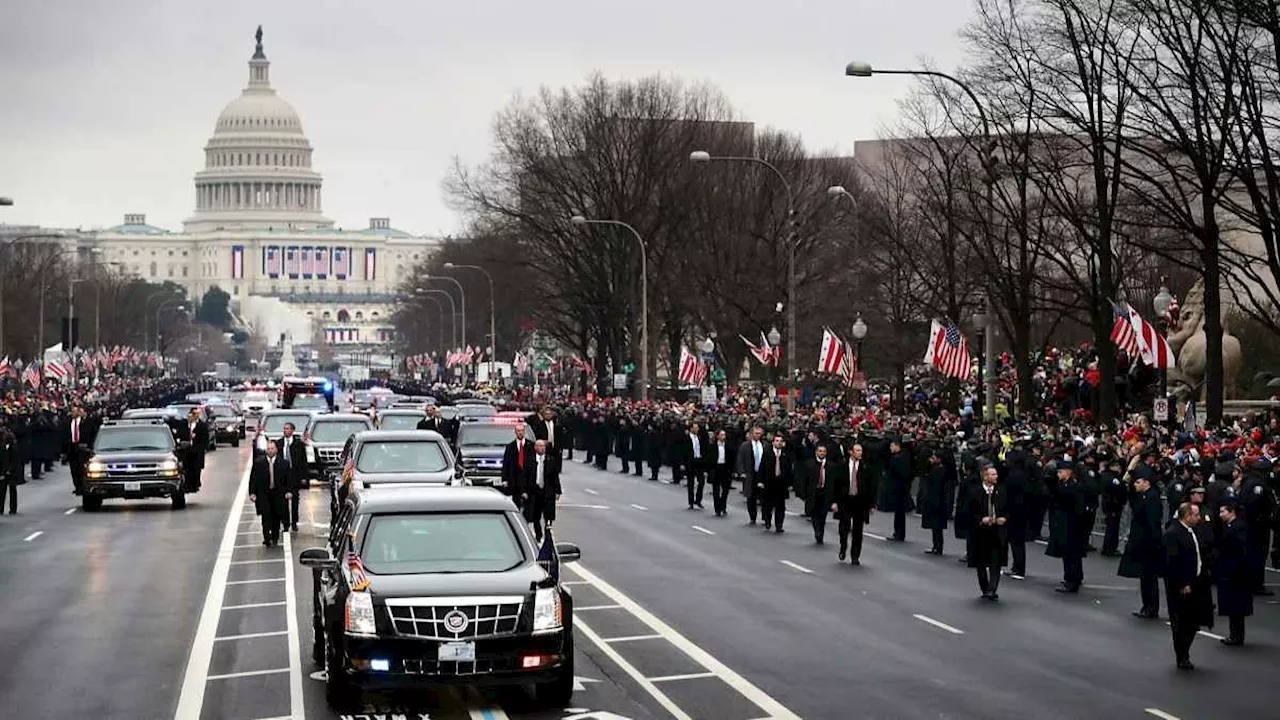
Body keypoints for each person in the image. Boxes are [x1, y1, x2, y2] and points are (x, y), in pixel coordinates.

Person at [1162, 502, 1214, 670]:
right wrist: (1183, 583)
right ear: (1187, 516)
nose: (1199, 518)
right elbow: (1173, 562)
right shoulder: (1173, 534)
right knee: (1181, 622)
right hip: (1181, 585)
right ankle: (1182, 655)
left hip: (1197, 581)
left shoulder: (1195, 531)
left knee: (1193, 621)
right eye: (1196, 515)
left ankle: (1185, 651)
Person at [1119, 467, 1163, 619]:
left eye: (1138, 482)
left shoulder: (1152, 498)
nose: (1135, 485)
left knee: (1149, 577)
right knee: (1144, 577)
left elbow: (1152, 523)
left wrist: (1152, 543)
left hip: (1148, 542)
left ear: (1146, 482)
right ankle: (1147, 606)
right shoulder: (1143, 496)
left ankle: (1151, 607)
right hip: (1142, 540)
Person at [966, 464, 1008, 600]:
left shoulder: (1001, 491)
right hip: (980, 532)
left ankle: (992, 589)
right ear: (985, 477)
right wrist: (980, 519)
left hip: (997, 531)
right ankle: (985, 588)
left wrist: (1005, 518)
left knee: (996, 561)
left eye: (996, 474)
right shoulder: (974, 492)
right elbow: (967, 512)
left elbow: (1010, 509)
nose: (996, 477)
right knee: (981, 563)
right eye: (992, 474)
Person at [1046, 459, 1088, 593]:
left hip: (1071, 524)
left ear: (1068, 472)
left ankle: (1071, 580)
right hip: (1067, 523)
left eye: (1060, 472)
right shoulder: (1065, 485)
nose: (1058, 474)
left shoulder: (1071, 486)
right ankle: (1073, 577)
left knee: (1070, 555)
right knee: (1070, 554)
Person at [1215, 501, 1252, 646]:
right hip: (1231, 572)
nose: (1220, 514)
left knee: (1236, 606)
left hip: (1236, 573)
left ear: (1231, 512)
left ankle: (1236, 635)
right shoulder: (1231, 526)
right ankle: (1234, 634)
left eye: (1223, 511)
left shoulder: (1239, 528)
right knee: (1233, 606)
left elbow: (1238, 551)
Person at [833, 442, 875, 565]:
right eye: (857, 450)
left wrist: (871, 504)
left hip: (859, 501)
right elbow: (836, 484)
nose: (860, 453)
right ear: (850, 452)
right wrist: (834, 501)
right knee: (844, 527)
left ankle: (855, 555)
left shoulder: (866, 467)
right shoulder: (842, 466)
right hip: (845, 500)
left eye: (861, 450)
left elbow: (871, 487)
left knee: (858, 529)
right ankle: (843, 546)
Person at [249, 440, 290, 547]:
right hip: (264, 494)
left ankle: (275, 537)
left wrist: (289, 492)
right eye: (268, 448)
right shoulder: (259, 463)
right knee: (266, 516)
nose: (270, 451)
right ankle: (266, 537)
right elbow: (253, 479)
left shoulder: (284, 463)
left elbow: (288, 479)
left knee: (276, 516)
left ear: (276, 450)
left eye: (272, 448)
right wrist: (252, 493)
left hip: (278, 493)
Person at [523, 439, 561, 541]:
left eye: (543, 446)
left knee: (548, 515)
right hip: (534, 491)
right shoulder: (529, 460)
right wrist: (524, 491)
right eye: (539, 446)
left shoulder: (551, 460)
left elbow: (555, 477)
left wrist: (558, 491)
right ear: (535, 448)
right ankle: (538, 534)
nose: (541, 448)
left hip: (547, 491)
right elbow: (525, 477)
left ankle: (548, 534)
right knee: (536, 516)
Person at [919, 447, 951, 555]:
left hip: (936, 501)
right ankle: (937, 545)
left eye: (933, 458)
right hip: (938, 500)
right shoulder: (938, 469)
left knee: (936, 526)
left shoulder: (937, 470)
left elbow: (934, 486)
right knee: (936, 526)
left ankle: (938, 546)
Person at [278, 422, 308, 532]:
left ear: (292, 430)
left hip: (294, 475)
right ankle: (285, 524)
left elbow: (303, 461)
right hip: (282, 476)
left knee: (295, 500)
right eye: (284, 428)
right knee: (283, 501)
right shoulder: (279, 443)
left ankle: (294, 522)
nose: (285, 430)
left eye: (288, 429)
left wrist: (304, 477)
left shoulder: (298, 444)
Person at [758, 434, 791, 532]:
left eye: (781, 441)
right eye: (777, 441)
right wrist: (760, 481)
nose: (779, 443)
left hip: (781, 483)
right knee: (768, 504)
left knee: (780, 506)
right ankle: (767, 520)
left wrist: (789, 483)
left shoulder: (785, 454)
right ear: (773, 443)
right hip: (769, 482)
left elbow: (789, 469)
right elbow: (762, 467)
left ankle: (779, 524)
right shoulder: (767, 453)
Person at [804, 444, 835, 544]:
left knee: (823, 514)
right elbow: (805, 480)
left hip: (825, 493)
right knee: (814, 513)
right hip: (814, 492)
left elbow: (833, 481)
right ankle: (817, 530)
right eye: (820, 451)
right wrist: (805, 494)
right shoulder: (809, 464)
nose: (822, 453)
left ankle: (820, 532)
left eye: (824, 451)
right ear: (816, 452)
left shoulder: (830, 466)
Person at [883, 437, 912, 542]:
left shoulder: (897, 458)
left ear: (897, 446)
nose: (891, 448)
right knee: (900, 512)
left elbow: (892, 472)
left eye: (892, 446)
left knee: (898, 512)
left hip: (897, 487)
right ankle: (900, 533)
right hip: (903, 487)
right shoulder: (906, 455)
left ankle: (898, 533)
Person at [64, 406, 97, 496]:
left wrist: (89, 446)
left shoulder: (85, 422)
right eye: (72, 411)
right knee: (74, 469)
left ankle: (83, 487)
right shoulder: (68, 423)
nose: (73, 413)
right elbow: (64, 435)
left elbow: (92, 433)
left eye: (75, 411)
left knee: (82, 469)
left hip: (82, 447)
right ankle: (77, 487)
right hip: (71, 448)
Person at [736, 426, 764, 525]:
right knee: (751, 496)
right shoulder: (745, 446)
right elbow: (740, 459)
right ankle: (753, 516)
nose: (758, 435)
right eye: (756, 433)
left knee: (764, 495)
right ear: (752, 434)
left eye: (760, 433)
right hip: (750, 473)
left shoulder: (764, 445)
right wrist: (741, 472)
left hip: (762, 474)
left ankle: (765, 516)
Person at [500, 424, 535, 498]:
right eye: (518, 431)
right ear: (515, 432)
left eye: (522, 430)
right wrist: (504, 479)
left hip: (528, 478)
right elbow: (506, 463)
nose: (520, 432)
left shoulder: (531, 445)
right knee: (516, 499)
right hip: (514, 478)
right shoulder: (510, 446)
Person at [178, 409, 209, 492]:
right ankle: (188, 484)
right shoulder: (184, 425)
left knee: (196, 469)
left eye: (196, 414)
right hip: (186, 451)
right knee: (187, 468)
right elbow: (180, 434)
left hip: (197, 451)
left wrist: (203, 448)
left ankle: (195, 484)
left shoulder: (202, 425)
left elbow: (205, 438)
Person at [682, 423, 709, 510]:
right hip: (690, 462)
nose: (697, 429)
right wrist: (683, 463)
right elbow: (683, 451)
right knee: (691, 482)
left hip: (699, 461)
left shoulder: (699, 438)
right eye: (695, 428)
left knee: (701, 481)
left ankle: (698, 500)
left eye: (697, 428)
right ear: (691, 429)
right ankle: (691, 501)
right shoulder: (686, 438)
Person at [709, 429, 734, 517]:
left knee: (725, 489)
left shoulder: (728, 446)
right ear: (717, 436)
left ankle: (723, 505)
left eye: (724, 435)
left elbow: (732, 458)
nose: (724, 436)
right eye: (722, 435)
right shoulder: (712, 446)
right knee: (716, 489)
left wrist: (732, 470)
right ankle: (717, 508)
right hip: (716, 468)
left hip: (725, 468)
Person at [0, 424, 21, 514]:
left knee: (12, 489)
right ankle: (1, 508)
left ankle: (13, 508)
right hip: (4, 471)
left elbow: (15, 462)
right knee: (2, 491)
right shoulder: (2, 448)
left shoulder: (14, 448)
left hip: (12, 472)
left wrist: (10, 470)